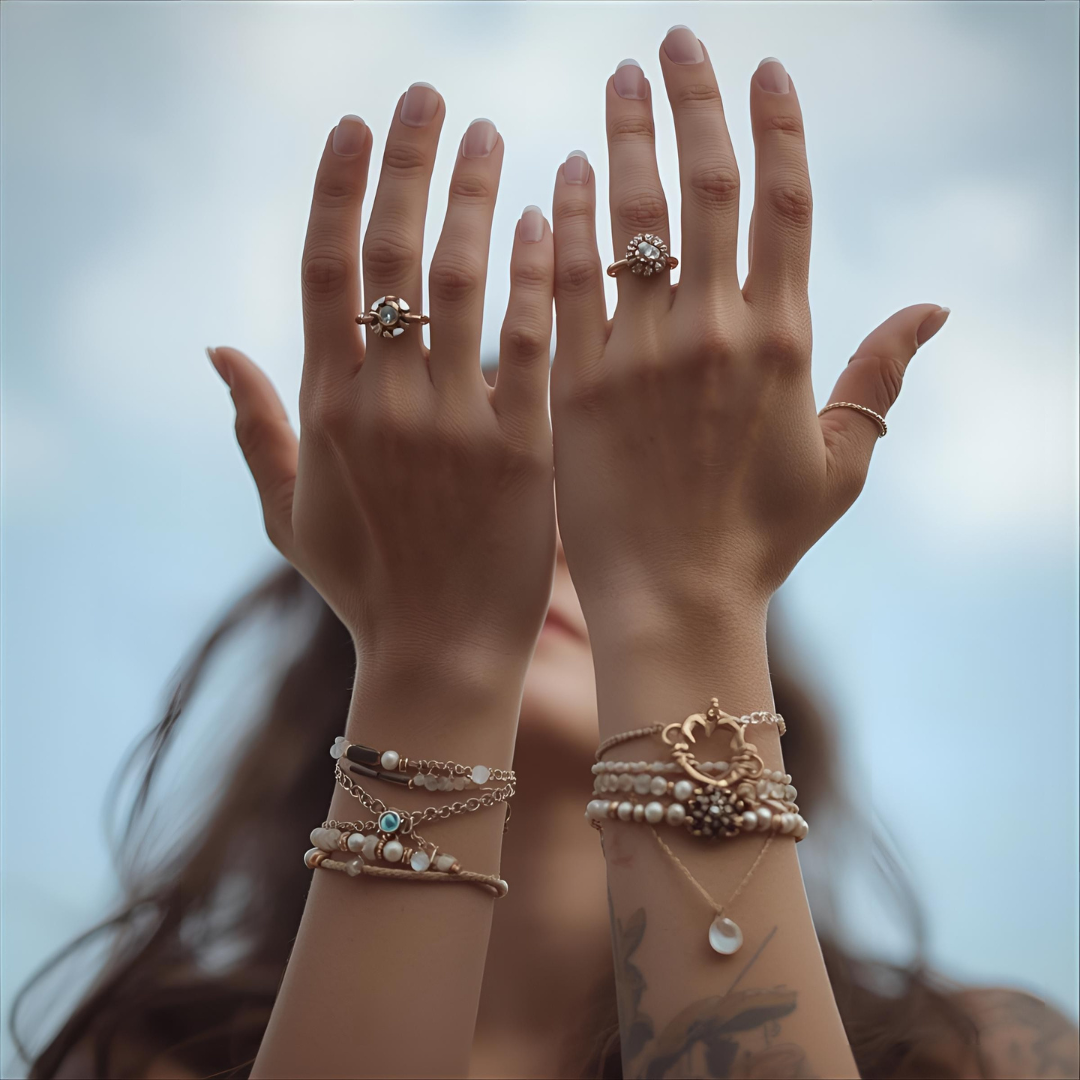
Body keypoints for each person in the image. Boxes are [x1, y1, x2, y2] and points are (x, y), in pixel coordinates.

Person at [12, 26, 1078, 1080]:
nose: (558, 537)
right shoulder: (147, 1059)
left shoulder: (978, 1053)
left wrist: (682, 602)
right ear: (353, 593)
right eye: (485, 496)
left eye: (619, 501)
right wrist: (437, 663)